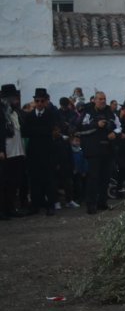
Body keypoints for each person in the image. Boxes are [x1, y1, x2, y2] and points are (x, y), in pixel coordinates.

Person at [78, 91, 121, 214]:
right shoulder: (88, 112)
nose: (102, 101)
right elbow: (81, 127)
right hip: (93, 149)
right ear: (95, 100)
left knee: (105, 177)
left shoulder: (110, 112)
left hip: (107, 149)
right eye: (100, 99)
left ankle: (102, 202)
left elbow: (119, 126)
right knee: (93, 178)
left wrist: (115, 133)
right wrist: (96, 124)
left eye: (104, 99)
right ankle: (91, 204)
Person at [21, 88, 58, 216]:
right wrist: (41, 131)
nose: (39, 103)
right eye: (37, 101)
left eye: (42, 101)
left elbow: (49, 129)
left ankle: (51, 205)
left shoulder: (50, 114)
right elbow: (25, 131)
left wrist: (36, 131)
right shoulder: (30, 115)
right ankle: (35, 205)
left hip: (47, 152)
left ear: (45, 101)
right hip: (34, 152)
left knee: (49, 180)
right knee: (35, 180)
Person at [0, 84, 27, 219]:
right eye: (14, 98)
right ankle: (3, 210)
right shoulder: (1, 112)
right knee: (3, 182)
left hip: (17, 151)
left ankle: (11, 208)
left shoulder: (15, 112)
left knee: (13, 182)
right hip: (6, 151)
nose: (17, 100)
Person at [51, 125, 77, 209]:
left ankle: (69, 201)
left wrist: (72, 165)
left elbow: (69, 153)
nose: (56, 132)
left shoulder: (64, 140)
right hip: (54, 166)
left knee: (68, 184)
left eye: (58, 130)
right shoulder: (50, 141)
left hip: (65, 165)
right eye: (55, 130)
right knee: (54, 185)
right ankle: (56, 201)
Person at [71, 135, 88, 205]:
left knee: (80, 185)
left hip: (81, 171)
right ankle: (75, 198)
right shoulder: (70, 151)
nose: (77, 142)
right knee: (74, 185)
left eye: (79, 141)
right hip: (73, 171)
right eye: (76, 140)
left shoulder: (81, 151)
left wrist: (84, 170)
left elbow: (85, 162)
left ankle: (81, 198)